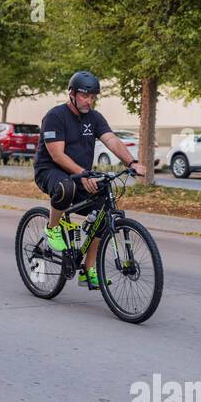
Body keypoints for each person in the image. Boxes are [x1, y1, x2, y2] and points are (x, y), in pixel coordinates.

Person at [33, 70, 146, 290]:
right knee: (65, 187)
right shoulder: (55, 116)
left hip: (81, 171)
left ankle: (88, 269)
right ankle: (53, 227)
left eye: (93, 96)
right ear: (72, 94)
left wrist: (130, 163)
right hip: (50, 170)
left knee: (104, 210)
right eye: (85, 96)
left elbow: (111, 140)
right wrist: (83, 174)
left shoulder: (94, 117)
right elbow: (57, 155)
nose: (89, 101)